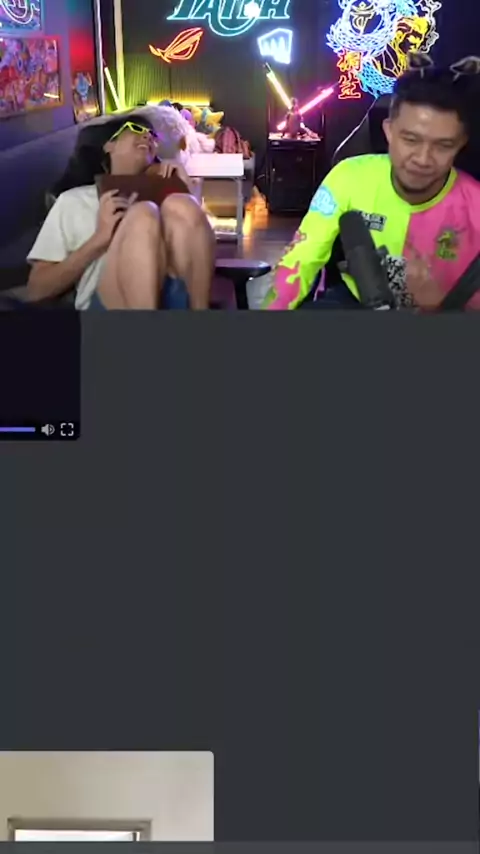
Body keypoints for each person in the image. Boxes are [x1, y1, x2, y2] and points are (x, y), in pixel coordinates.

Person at [263, 54, 480, 311]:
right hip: (355, 306)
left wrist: (439, 305)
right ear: (389, 131)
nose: (423, 159)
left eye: (443, 145)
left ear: (460, 144)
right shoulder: (348, 177)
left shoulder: (474, 205)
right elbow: (301, 258)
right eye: (411, 140)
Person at [26, 115, 215, 309]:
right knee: (143, 214)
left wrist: (186, 189)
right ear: (109, 145)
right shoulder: (73, 201)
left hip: (176, 294)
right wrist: (100, 238)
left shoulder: (172, 199)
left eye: (153, 135)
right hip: (111, 302)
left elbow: (198, 246)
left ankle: (201, 320)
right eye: (135, 129)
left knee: (182, 204)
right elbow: (36, 290)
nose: (147, 137)